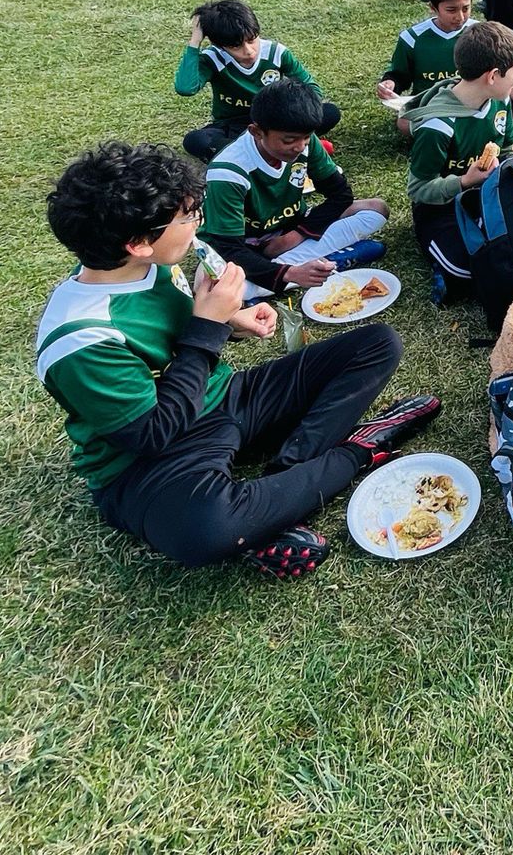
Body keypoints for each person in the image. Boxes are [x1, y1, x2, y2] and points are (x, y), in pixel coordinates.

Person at [38, 141, 437, 577]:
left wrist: (231, 320)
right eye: (187, 217)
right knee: (203, 529)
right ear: (138, 243)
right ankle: (357, 452)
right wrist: (208, 328)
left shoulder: (155, 266)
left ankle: (284, 484)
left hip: (225, 397)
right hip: (154, 459)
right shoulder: (81, 339)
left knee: (377, 344)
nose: (197, 224)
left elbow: (181, 334)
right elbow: (154, 435)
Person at [199, 81, 388, 301]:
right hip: (245, 247)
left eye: (306, 138)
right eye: (289, 140)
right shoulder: (228, 173)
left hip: (291, 231)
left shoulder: (306, 143)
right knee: (211, 288)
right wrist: (290, 273)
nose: (299, 147)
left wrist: (295, 236)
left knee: (376, 210)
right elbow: (228, 247)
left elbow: (340, 195)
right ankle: (320, 265)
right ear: (257, 131)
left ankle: (293, 273)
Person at [405, 20, 513, 298]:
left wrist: (509, 164)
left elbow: (510, 145)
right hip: (442, 207)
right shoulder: (437, 127)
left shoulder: (501, 100)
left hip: (487, 194)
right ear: (493, 75)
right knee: (466, 267)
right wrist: (462, 182)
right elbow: (419, 189)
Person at [377, 0, 513, 136]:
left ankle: (494, 129)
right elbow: (399, 75)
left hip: (479, 99)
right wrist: (390, 83)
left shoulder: (481, 32)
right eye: (451, 10)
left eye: (466, 8)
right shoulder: (412, 38)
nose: (460, 17)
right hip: (434, 104)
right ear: (433, 7)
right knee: (404, 123)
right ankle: (473, 134)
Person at [175, 0, 339, 162]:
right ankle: (295, 148)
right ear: (220, 45)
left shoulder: (276, 52)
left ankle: (264, 150)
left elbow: (312, 89)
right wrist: (195, 40)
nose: (248, 51)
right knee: (195, 140)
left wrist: (292, 113)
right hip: (235, 125)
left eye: (252, 40)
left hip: (276, 120)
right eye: (236, 47)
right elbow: (185, 88)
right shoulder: (212, 58)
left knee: (329, 112)